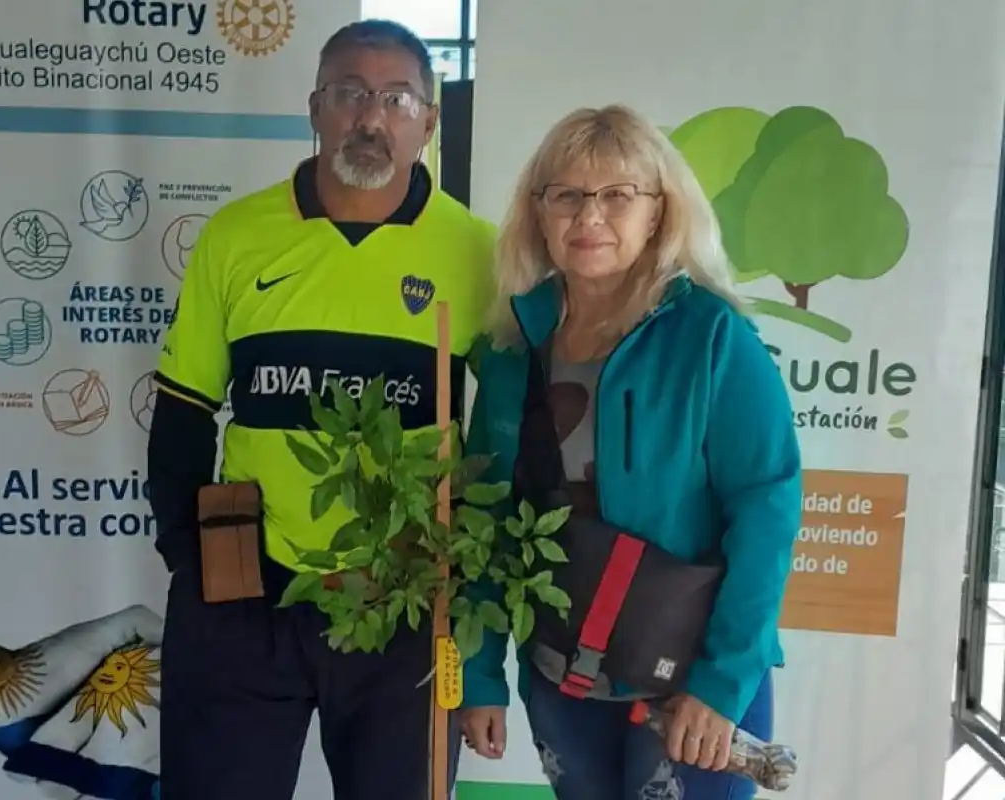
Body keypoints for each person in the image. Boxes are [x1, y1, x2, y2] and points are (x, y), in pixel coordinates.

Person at [147, 19, 496, 800]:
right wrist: (190, 561)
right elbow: (182, 412)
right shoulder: (238, 236)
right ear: (314, 107)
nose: (371, 118)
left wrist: (460, 584)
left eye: (397, 97)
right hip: (245, 593)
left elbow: (504, 435)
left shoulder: (477, 253)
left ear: (428, 121)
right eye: (350, 94)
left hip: (406, 598)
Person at [456, 105, 802, 800]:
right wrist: (481, 675)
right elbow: (482, 521)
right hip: (563, 678)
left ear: (658, 214)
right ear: (539, 212)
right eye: (568, 195)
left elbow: (767, 511)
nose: (590, 216)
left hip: (689, 688)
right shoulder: (509, 349)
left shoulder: (712, 338)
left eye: (618, 195)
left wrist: (722, 682)